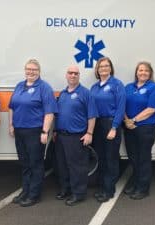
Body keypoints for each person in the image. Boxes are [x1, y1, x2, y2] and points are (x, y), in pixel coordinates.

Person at [8, 59, 58, 207]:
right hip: (19, 130)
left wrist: (45, 131)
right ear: (25, 70)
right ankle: (25, 190)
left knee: (35, 163)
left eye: (34, 69)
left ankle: (34, 194)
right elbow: (12, 107)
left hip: (35, 131)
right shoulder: (19, 86)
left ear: (39, 71)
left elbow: (49, 112)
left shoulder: (44, 87)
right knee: (24, 163)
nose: (31, 72)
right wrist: (11, 124)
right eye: (28, 69)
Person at [54, 65, 97, 206]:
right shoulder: (63, 94)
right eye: (70, 73)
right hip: (60, 136)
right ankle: (65, 189)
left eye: (75, 73)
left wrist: (89, 133)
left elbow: (92, 116)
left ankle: (78, 193)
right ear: (66, 75)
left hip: (76, 136)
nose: (73, 75)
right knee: (62, 165)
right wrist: (55, 131)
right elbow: (58, 115)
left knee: (77, 167)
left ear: (79, 76)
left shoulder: (85, 93)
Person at [123, 61, 155, 200]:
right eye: (140, 70)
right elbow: (122, 105)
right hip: (129, 127)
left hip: (146, 127)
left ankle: (143, 188)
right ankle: (135, 183)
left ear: (150, 73)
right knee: (133, 157)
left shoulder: (154, 87)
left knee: (143, 158)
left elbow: (151, 109)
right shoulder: (128, 87)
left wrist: (133, 120)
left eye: (146, 70)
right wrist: (127, 120)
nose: (143, 73)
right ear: (136, 73)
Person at [90, 57, 126, 203]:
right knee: (101, 157)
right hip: (98, 124)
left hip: (110, 124)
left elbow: (121, 107)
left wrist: (114, 127)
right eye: (101, 66)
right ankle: (102, 187)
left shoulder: (117, 84)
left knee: (111, 158)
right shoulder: (94, 87)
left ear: (110, 68)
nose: (103, 68)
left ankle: (109, 190)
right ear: (97, 70)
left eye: (106, 66)